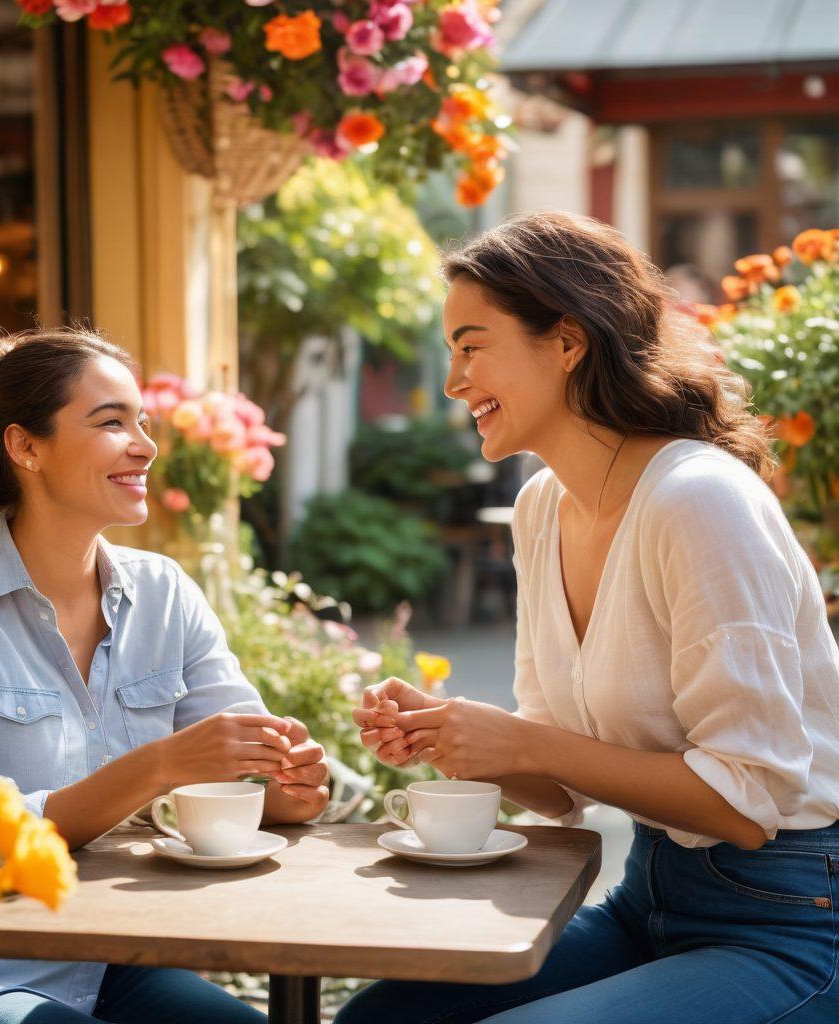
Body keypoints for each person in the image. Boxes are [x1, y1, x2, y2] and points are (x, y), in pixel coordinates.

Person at [339, 211, 839, 1023]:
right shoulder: (543, 508)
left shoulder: (699, 502)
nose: (454, 381)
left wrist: (524, 742)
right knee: (381, 1019)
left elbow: (746, 804)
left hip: (787, 923)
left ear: (567, 341)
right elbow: (558, 784)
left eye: (471, 346)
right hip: (648, 901)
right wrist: (460, 737)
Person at [0, 330, 330, 1024]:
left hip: (130, 962)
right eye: (112, 423)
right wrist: (160, 765)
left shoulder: (165, 593)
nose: (146, 445)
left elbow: (245, 775)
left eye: (141, 421)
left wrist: (289, 785)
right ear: (26, 448)